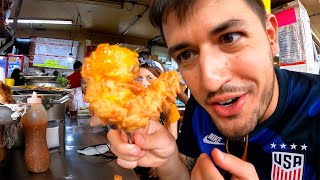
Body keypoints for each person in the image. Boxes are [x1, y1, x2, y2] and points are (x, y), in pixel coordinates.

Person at [107, 0, 320, 179]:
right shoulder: (198, 109)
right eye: (186, 55)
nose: (210, 82)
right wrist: (168, 160)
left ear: (270, 36)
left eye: (230, 38)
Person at [134, 59, 181, 180]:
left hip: (161, 162)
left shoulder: (169, 107)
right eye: (139, 78)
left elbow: (172, 138)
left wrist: (160, 163)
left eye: (149, 78)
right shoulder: (132, 106)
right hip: (136, 160)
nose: (143, 83)